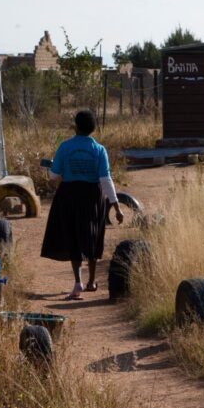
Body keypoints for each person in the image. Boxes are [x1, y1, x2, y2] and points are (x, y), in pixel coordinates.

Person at [41, 110, 124, 300]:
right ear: (93, 128)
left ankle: (77, 282)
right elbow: (105, 179)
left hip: (69, 194)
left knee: (73, 236)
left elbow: (54, 176)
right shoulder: (99, 150)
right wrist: (116, 206)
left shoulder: (65, 147)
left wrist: (55, 173)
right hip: (93, 196)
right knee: (93, 235)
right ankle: (92, 281)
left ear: (75, 126)